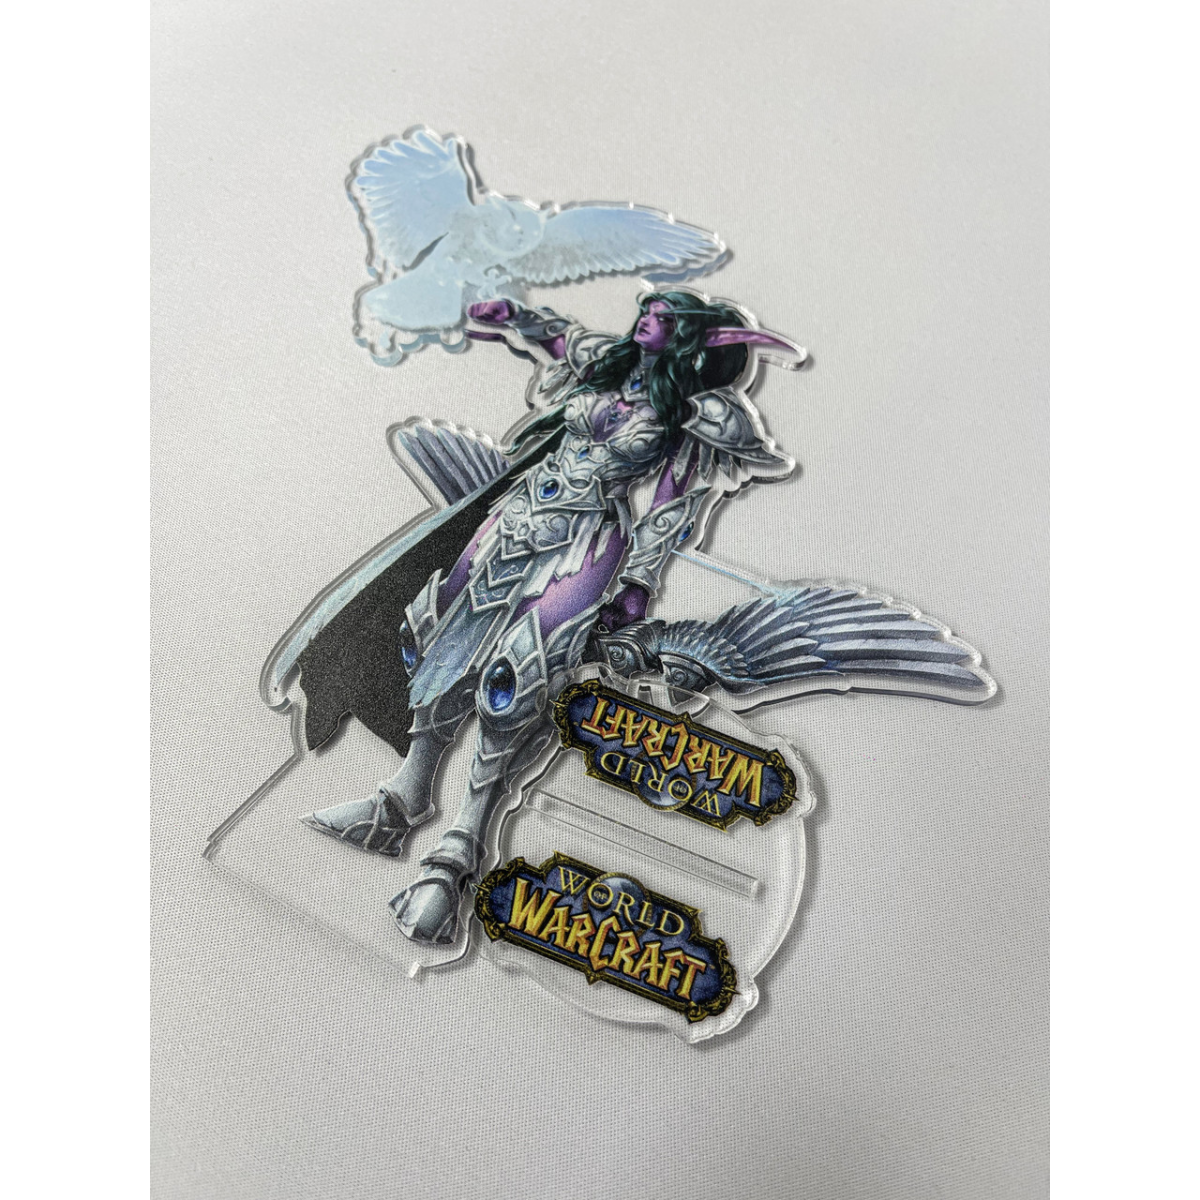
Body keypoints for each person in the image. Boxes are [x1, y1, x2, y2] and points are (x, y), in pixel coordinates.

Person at [303, 290, 798, 943]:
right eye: (646, 308)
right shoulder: (608, 364)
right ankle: (400, 800)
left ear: (689, 338)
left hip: (586, 542)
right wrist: (514, 318)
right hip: (515, 519)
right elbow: (561, 338)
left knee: (518, 680)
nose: (646, 317)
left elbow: (672, 507)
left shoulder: (695, 411)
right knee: (440, 640)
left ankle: (454, 860)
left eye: (664, 316)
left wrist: (639, 583)